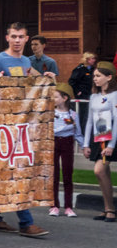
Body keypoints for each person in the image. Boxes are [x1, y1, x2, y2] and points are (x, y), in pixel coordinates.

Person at [0, 22, 49, 237]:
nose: (17, 40)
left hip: (21, 125)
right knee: (16, 171)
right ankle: (25, 223)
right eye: (14, 36)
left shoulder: (26, 60)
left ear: (27, 39)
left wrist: (44, 80)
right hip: (3, 125)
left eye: (21, 37)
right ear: (7, 38)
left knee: (9, 171)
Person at [83, 62, 117, 222]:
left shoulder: (115, 95)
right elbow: (89, 120)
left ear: (109, 77)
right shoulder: (94, 96)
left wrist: (111, 145)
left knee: (99, 170)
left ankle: (110, 208)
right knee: (103, 173)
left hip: (111, 137)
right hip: (98, 136)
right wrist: (85, 144)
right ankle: (107, 209)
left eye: (98, 76)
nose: (95, 79)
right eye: (94, 76)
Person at [49, 84, 83, 217]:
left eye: (56, 96)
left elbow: (78, 132)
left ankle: (68, 206)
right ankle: (54, 205)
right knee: (54, 175)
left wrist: (84, 146)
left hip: (68, 143)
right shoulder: (51, 113)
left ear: (65, 98)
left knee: (68, 174)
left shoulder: (73, 115)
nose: (53, 99)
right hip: (54, 142)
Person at [68, 51, 96, 130]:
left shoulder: (93, 69)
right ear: (87, 59)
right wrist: (78, 91)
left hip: (90, 94)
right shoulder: (79, 69)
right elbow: (71, 81)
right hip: (82, 95)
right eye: (92, 59)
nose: (94, 60)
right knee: (82, 113)